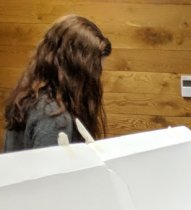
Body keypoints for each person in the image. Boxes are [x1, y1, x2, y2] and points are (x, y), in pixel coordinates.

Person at [3, 15, 111, 152]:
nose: (99, 76)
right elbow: (48, 173)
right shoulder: (55, 118)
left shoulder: (30, 99)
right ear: (78, 69)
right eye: (96, 69)